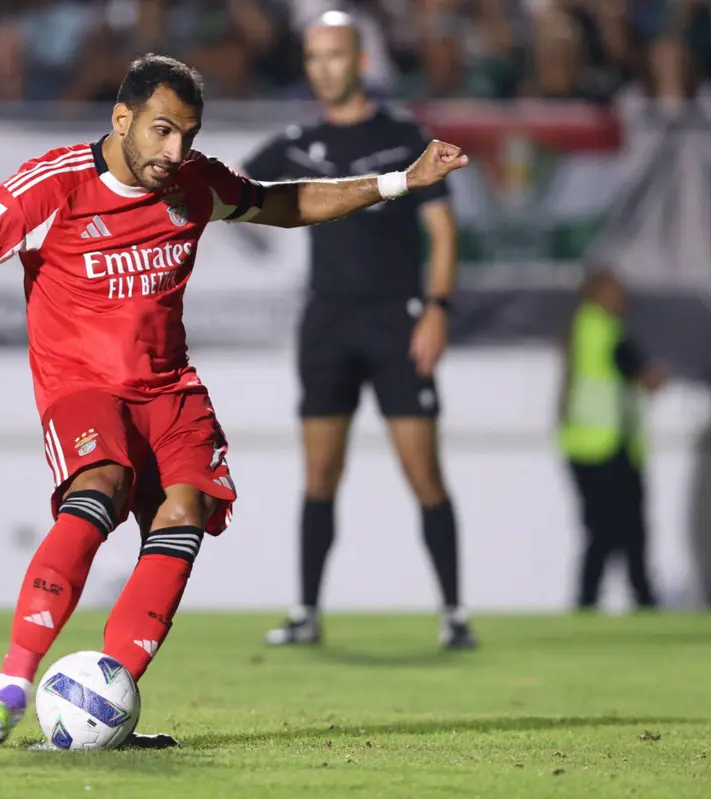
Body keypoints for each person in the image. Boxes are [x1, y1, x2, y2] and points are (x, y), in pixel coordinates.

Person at [0, 53, 469, 746]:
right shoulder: (51, 186)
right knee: (101, 488)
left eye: (189, 135)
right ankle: (12, 683)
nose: (176, 152)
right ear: (122, 119)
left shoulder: (195, 182)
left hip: (168, 388)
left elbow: (281, 203)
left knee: (186, 511)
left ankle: (101, 701)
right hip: (82, 387)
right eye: (163, 131)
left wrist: (399, 181)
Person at [241, 12, 476, 650]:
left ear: (361, 62)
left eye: (335, 56)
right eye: (313, 57)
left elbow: (443, 231)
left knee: (423, 473)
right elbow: (237, 194)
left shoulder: (403, 137)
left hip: (396, 318)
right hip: (328, 321)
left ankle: (454, 614)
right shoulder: (295, 143)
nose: (323, 69)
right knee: (319, 475)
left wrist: (438, 307)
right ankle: (306, 612)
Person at [557, 267, 667, 611]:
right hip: (608, 447)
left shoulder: (579, 327)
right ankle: (641, 599)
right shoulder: (606, 329)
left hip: (580, 445)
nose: (624, 299)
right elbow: (644, 376)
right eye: (617, 291)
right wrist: (656, 377)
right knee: (628, 532)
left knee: (599, 532)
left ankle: (588, 601)